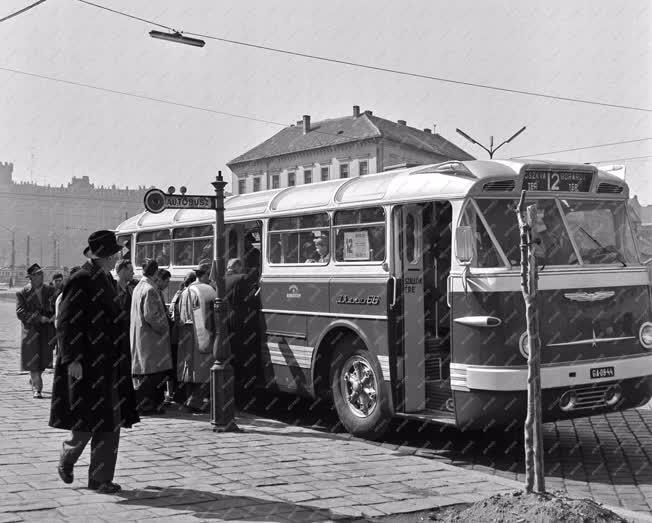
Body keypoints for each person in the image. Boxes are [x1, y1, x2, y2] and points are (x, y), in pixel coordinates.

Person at [50, 230, 139, 494]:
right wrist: (72, 359)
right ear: (105, 256)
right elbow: (66, 323)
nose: (118, 258)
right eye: (115, 254)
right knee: (87, 422)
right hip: (86, 363)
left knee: (110, 423)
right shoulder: (80, 280)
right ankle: (68, 456)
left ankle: (100, 479)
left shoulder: (106, 279)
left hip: (110, 363)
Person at [130, 259, 172, 415]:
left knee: (145, 373)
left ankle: (146, 405)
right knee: (152, 375)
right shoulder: (150, 290)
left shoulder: (138, 288)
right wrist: (165, 328)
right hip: (152, 339)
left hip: (140, 336)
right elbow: (152, 316)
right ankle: (147, 406)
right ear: (155, 272)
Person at [177, 262, 216, 412]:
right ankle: (195, 402)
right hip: (201, 335)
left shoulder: (186, 290)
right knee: (203, 371)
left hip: (185, 335)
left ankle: (188, 398)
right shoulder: (207, 290)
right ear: (205, 275)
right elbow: (209, 318)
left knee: (189, 371)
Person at [16, 263, 55, 398]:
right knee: (33, 362)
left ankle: (34, 379)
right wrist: (39, 318)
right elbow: (20, 312)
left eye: (41, 273)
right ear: (31, 277)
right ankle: (37, 389)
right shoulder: (22, 293)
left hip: (46, 331)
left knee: (43, 361)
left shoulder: (50, 290)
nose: (41, 276)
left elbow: (57, 304)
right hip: (31, 331)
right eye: (37, 274)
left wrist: (54, 315)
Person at [224, 258, 259, 407]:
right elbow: (250, 300)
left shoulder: (222, 279)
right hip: (240, 323)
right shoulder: (241, 279)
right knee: (244, 359)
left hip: (227, 322)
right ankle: (243, 396)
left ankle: (230, 394)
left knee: (231, 358)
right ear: (237, 267)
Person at [167, 271, 196, 404]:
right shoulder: (187, 293)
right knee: (182, 365)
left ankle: (174, 394)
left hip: (175, 334)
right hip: (181, 334)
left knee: (176, 365)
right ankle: (180, 396)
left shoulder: (179, 293)